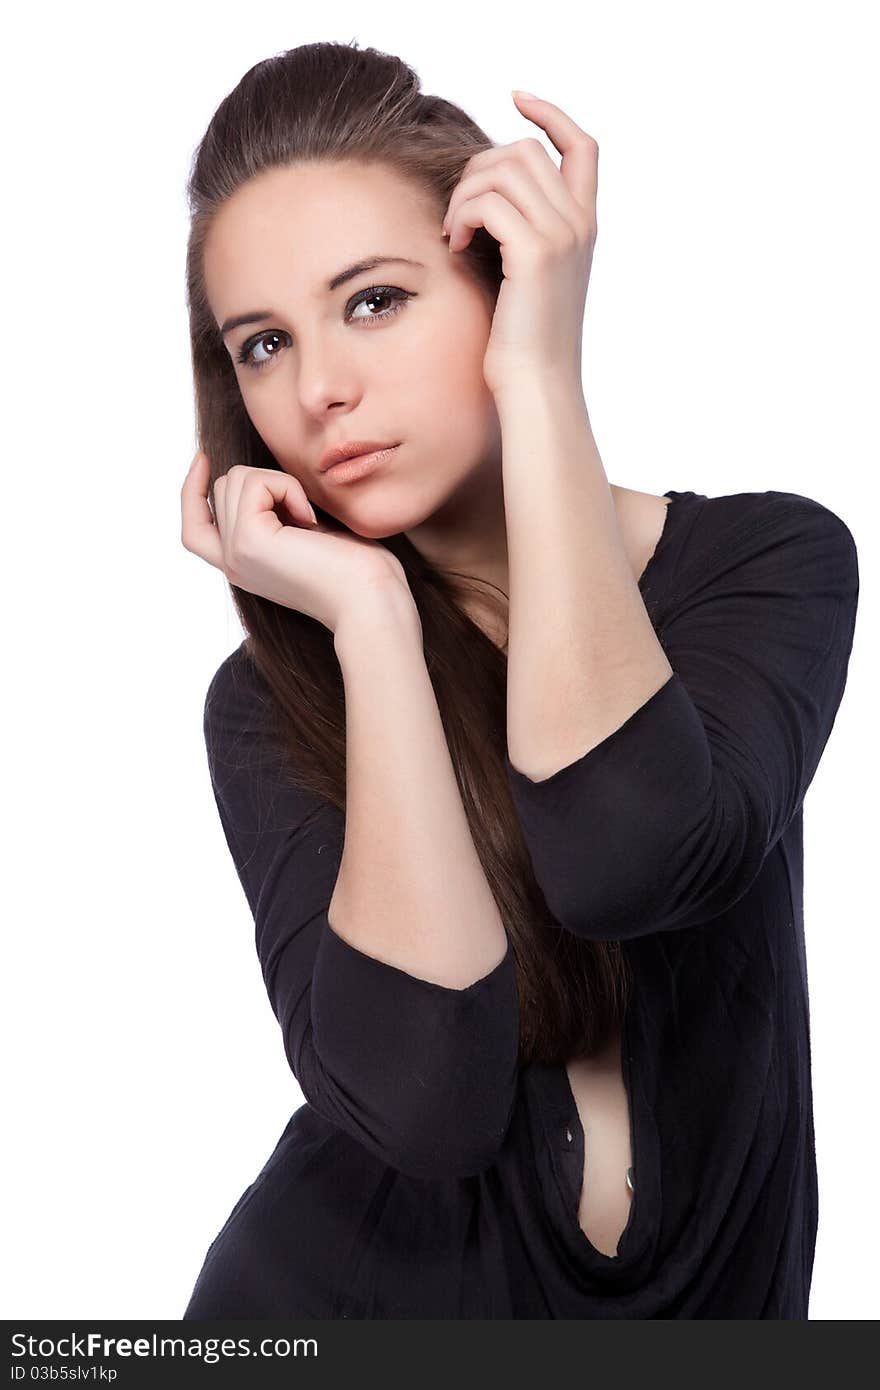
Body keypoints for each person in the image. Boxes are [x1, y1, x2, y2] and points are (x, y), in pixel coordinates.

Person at [178, 41, 859, 1319]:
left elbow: (629, 856)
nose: (319, 388)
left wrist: (542, 376)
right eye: (263, 343)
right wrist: (370, 621)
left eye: (374, 299)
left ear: (498, 275)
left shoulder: (770, 565)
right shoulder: (274, 701)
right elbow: (425, 1104)